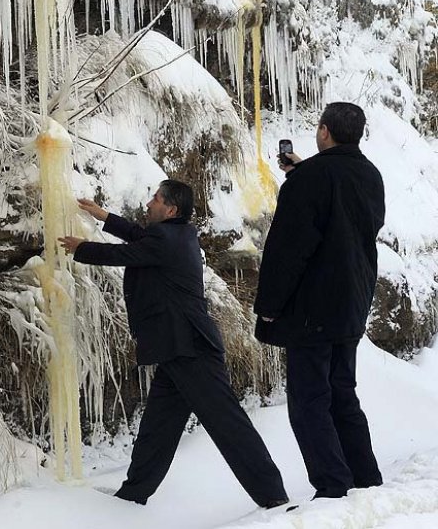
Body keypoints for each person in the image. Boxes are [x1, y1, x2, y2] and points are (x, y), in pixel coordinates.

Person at [59, 180, 288, 508]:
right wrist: (103, 215)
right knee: (158, 428)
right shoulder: (176, 235)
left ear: (171, 209)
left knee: (228, 424)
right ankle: (132, 496)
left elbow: (124, 253)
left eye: (155, 199)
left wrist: (81, 247)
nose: (149, 203)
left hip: (191, 350)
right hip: (177, 350)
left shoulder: (167, 239)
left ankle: (274, 497)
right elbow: (138, 236)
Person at [255, 102, 385, 499]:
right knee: (342, 392)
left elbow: (289, 248)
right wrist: (304, 172)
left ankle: (332, 486)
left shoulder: (309, 179)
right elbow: (345, 216)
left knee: (309, 400)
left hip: (312, 307)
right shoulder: (370, 175)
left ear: (324, 131)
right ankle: (365, 478)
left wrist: (270, 305)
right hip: (353, 301)